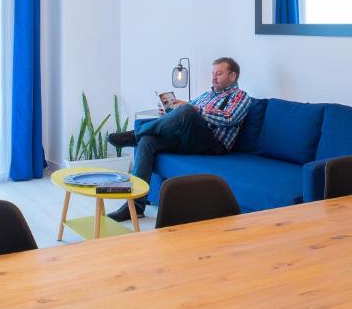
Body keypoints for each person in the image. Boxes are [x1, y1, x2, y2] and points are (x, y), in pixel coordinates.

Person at [106, 57, 250, 221]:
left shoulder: (240, 96)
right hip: (190, 139)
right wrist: (169, 112)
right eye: (213, 73)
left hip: (214, 144)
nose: (213, 78)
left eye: (219, 74)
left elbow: (229, 118)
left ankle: (135, 134)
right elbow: (184, 115)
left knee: (187, 110)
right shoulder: (207, 95)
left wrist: (191, 109)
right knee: (148, 141)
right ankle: (135, 206)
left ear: (232, 76)